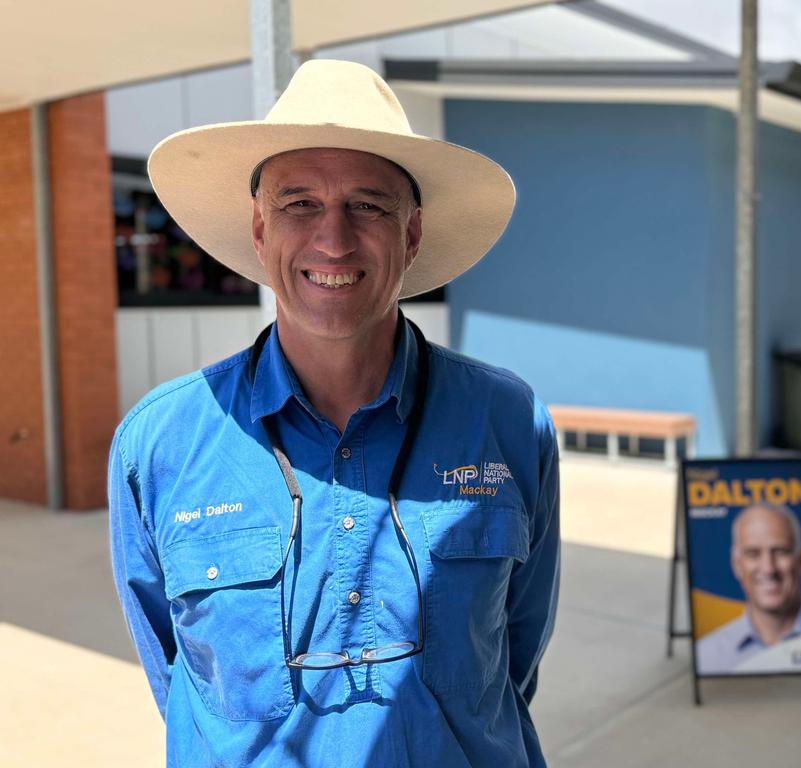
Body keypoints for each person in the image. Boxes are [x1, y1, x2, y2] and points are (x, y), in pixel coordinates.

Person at [109, 60, 560, 768]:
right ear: (260, 230)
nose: (334, 241)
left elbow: (514, 659)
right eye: (298, 205)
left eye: (368, 206)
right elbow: (180, 682)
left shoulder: (508, 421)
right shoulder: (161, 443)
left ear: (412, 235)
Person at [695, 503, 801, 675]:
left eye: (781, 552)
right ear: (737, 565)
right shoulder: (708, 656)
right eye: (753, 554)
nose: (768, 569)